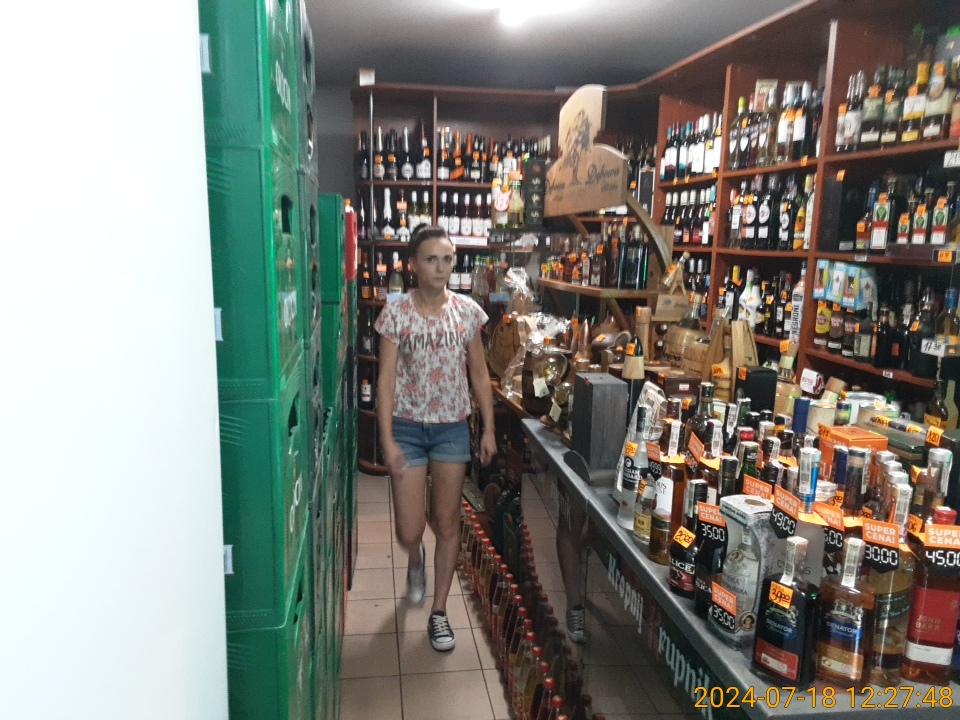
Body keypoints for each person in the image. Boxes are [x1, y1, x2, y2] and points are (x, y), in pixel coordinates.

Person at [375, 226, 497, 651]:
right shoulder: (396, 314)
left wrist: (489, 427)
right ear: (413, 264)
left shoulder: (467, 312)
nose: (441, 268)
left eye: (447, 259)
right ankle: (415, 558)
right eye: (431, 259)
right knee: (409, 528)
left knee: (446, 522)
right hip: (408, 428)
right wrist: (387, 439)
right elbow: (386, 380)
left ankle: (439, 612)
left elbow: (479, 373)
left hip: (451, 429)